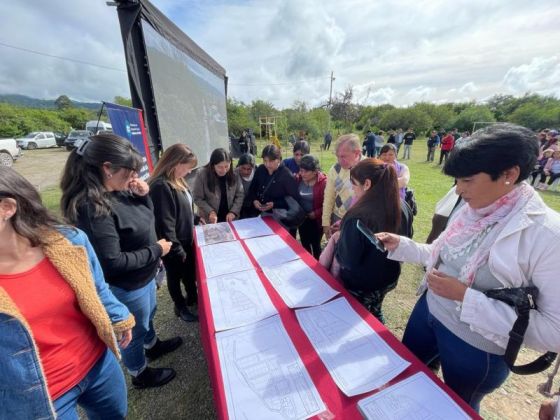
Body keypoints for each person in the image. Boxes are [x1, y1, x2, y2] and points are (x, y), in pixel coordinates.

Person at [377, 123, 560, 411]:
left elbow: (554, 330)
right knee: (406, 383)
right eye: (457, 181)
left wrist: (466, 297)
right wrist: (403, 245)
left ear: (509, 174)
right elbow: (444, 257)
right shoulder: (471, 207)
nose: (459, 190)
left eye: (467, 180)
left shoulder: (548, 235)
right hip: (429, 313)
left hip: (477, 348)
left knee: (456, 407)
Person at [0, 167, 135, 419]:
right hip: (39, 399)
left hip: (98, 365)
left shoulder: (68, 241)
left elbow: (96, 288)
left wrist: (118, 315)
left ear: (7, 207)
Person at [60, 133, 182, 389]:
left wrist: (142, 196)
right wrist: (156, 251)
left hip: (144, 276)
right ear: (107, 168)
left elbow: (145, 220)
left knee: (149, 316)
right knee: (133, 331)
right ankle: (140, 373)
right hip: (127, 285)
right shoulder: (92, 207)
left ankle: (153, 345)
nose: (134, 178)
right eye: (129, 172)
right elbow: (112, 262)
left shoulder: (119, 189)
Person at [335, 158, 412, 323]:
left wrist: (338, 242)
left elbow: (348, 261)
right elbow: (406, 240)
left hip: (361, 284)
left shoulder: (357, 216)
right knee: (376, 310)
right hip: (388, 278)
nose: (352, 188)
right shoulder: (403, 206)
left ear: (367, 184)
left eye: (354, 183)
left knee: (356, 320)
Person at [149, 144, 199, 323]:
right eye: (187, 167)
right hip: (173, 243)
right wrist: (177, 249)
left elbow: (185, 207)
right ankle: (181, 307)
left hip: (187, 238)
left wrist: (196, 218)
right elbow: (165, 223)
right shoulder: (161, 186)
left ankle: (192, 297)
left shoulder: (177, 180)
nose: (188, 172)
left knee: (188, 273)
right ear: (176, 163)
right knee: (174, 275)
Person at [322, 134, 363, 238]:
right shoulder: (335, 169)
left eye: (343, 156)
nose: (339, 161)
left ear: (357, 153)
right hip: (338, 218)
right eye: (337, 156)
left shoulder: (370, 168)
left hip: (361, 222)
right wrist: (326, 222)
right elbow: (329, 197)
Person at [247, 144, 301, 217]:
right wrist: (254, 200)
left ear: (279, 159)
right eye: (265, 161)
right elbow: (252, 189)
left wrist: (274, 204)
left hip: (278, 216)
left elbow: (294, 199)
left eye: (271, 161)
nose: (267, 164)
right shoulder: (260, 169)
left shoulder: (286, 175)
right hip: (258, 214)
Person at [193, 148, 244, 223]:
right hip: (209, 219)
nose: (223, 170)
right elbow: (197, 198)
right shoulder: (201, 174)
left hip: (230, 219)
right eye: (220, 167)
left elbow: (240, 194)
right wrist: (210, 211)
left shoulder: (234, 174)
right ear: (213, 165)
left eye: (227, 166)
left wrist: (233, 211)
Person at [295, 154, 327, 258]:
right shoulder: (298, 179)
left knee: (316, 245)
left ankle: (318, 265)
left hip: (316, 221)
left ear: (315, 172)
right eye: (301, 170)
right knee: (304, 244)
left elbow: (328, 204)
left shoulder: (324, 183)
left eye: (305, 171)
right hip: (302, 219)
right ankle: (307, 263)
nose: (302, 173)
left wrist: (316, 213)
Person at [234, 153, 256, 219]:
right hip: (238, 207)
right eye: (243, 168)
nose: (245, 172)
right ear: (239, 166)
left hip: (254, 206)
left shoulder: (257, 173)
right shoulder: (234, 174)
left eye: (249, 169)